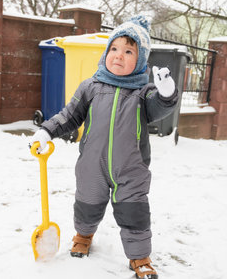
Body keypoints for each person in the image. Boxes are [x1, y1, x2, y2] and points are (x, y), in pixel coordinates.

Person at [29, 15, 178, 279]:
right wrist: (47, 131)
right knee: (87, 203)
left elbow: (159, 107)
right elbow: (69, 115)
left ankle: (140, 258)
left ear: (140, 59)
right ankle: (83, 235)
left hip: (131, 168)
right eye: (114, 48)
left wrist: (166, 94)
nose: (119, 56)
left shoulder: (143, 93)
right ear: (106, 52)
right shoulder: (91, 86)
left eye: (129, 51)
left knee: (134, 212)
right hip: (92, 165)